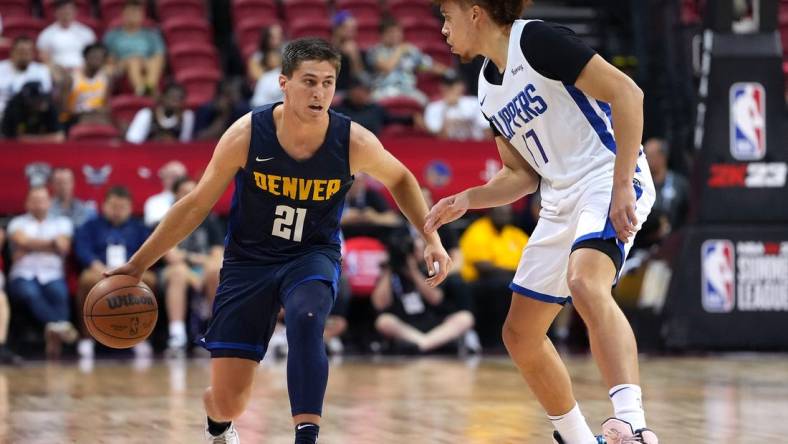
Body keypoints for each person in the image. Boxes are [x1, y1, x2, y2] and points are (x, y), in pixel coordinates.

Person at [107, 38, 450, 444]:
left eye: (328, 82)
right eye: (309, 81)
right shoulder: (248, 134)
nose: (319, 92)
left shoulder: (352, 141)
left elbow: (401, 179)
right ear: (283, 83)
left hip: (311, 254)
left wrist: (432, 238)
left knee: (307, 318)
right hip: (249, 261)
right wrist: (138, 264)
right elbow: (197, 204)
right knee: (228, 400)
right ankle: (218, 421)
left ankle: (306, 436)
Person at [426, 1, 659, 443]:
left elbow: (628, 93)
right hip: (558, 195)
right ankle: (575, 437)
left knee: (586, 282)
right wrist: (467, 199)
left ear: (475, 12)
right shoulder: (484, 88)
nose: (442, 29)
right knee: (520, 334)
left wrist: (623, 184)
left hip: (605, 173)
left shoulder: (535, 41)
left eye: (447, 16)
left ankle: (632, 420)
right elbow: (520, 176)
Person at [74, 186, 156, 359]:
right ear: (103, 206)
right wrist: (99, 268)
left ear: (130, 207)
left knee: (150, 281)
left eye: (122, 207)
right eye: (113, 206)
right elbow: (83, 250)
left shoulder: (139, 228)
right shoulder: (90, 226)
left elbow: (150, 252)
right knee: (86, 279)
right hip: (100, 271)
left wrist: (134, 269)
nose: (117, 211)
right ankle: (86, 338)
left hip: (131, 272)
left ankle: (141, 336)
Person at [372, 231, 474, 354]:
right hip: (406, 324)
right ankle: (426, 343)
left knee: (465, 318)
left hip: (433, 321)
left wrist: (413, 271)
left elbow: (435, 299)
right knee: (383, 321)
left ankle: (422, 344)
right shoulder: (390, 272)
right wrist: (389, 268)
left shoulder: (432, 268)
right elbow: (379, 304)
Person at [6, 186, 75, 359]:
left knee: (59, 293)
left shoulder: (62, 222)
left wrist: (29, 246)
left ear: (49, 202)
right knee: (29, 293)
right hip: (23, 274)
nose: (38, 204)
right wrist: (52, 244)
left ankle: (54, 334)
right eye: (34, 200)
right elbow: (20, 239)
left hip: (52, 274)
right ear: (27, 203)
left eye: (42, 200)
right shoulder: (17, 222)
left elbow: (64, 246)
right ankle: (61, 328)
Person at [160, 176, 224, 356]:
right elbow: (171, 256)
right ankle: (177, 335)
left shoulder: (210, 219)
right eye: (185, 192)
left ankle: (214, 331)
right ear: (175, 195)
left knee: (215, 271)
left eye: (193, 191)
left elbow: (218, 255)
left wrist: (198, 268)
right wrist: (194, 269)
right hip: (174, 271)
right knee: (179, 272)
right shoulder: (167, 219)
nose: (191, 196)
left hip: (202, 271)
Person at [103, 0, 165, 96]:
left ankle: (148, 87)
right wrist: (122, 61)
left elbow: (159, 55)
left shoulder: (150, 34)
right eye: (131, 12)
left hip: (146, 64)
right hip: (121, 64)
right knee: (133, 61)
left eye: (137, 12)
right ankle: (145, 92)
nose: (134, 15)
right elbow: (108, 57)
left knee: (155, 60)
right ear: (123, 14)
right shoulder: (113, 35)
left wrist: (143, 61)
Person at [424, 72, 491, 140]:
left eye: (454, 85)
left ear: (462, 86)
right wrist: (446, 108)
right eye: (447, 85)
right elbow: (439, 138)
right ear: (441, 87)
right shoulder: (433, 107)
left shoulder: (475, 103)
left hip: (474, 146)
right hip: (448, 147)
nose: (450, 88)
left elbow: (487, 132)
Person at [0, 37, 53, 122]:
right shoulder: (1, 68)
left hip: (29, 115)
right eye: (21, 51)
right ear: (12, 52)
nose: (24, 55)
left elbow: (45, 95)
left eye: (28, 52)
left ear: (32, 54)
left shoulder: (41, 70)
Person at [36, 0, 96, 72]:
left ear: (75, 11)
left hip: (82, 71)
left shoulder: (86, 32)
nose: (66, 13)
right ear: (55, 12)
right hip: (57, 72)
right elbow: (44, 58)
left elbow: (93, 55)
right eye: (62, 10)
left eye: (69, 10)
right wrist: (58, 71)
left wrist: (82, 69)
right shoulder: (46, 34)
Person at [643, 138, 689, 232]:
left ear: (662, 157)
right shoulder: (640, 183)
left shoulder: (680, 184)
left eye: (649, 156)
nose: (645, 160)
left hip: (674, 238)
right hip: (644, 240)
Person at [63, 43, 113, 126]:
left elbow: (106, 104)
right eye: (94, 57)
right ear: (85, 57)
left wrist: (101, 111)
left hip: (97, 115)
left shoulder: (107, 79)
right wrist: (84, 112)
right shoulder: (71, 78)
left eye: (101, 58)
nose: (97, 60)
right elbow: (63, 108)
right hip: (74, 117)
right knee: (89, 120)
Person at [143, 160, 187, 227]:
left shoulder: (190, 198)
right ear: (163, 178)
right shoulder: (154, 201)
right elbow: (153, 224)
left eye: (178, 177)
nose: (175, 180)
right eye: (171, 176)